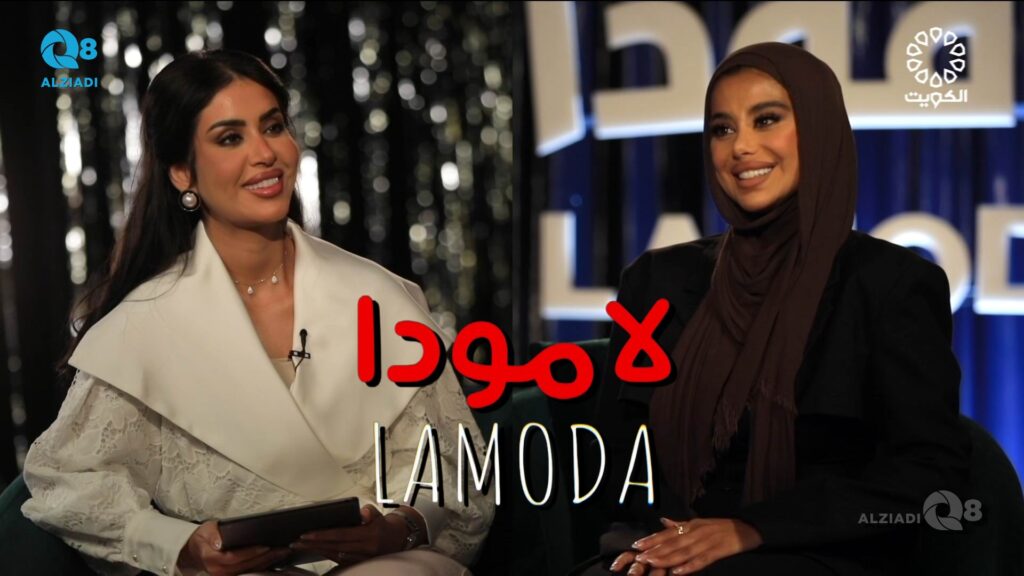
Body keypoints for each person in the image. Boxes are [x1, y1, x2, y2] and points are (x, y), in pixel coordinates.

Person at [20, 50, 494, 576]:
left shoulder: (380, 296)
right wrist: (182, 545)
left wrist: (400, 525)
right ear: (182, 173)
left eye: (273, 127)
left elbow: (456, 466)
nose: (265, 153)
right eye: (230, 138)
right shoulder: (142, 326)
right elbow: (65, 481)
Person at [586, 42, 970, 575]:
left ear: (818, 129)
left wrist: (752, 529)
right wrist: (650, 543)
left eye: (766, 120)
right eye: (722, 129)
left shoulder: (891, 284)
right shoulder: (656, 281)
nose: (741, 146)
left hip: (820, 554)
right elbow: (614, 459)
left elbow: (929, 478)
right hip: (663, 551)